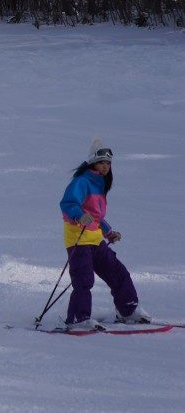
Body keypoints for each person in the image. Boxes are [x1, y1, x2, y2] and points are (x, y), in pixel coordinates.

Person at [59, 137, 150, 330]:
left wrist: (109, 233)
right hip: (78, 239)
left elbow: (96, 216)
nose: (106, 166)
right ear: (93, 162)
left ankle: (128, 310)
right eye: (102, 162)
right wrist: (79, 216)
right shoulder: (82, 181)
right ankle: (78, 319)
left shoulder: (99, 183)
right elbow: (67, 204)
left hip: (94, 239)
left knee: (118, 272)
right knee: (84, 280)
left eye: (108, 163)